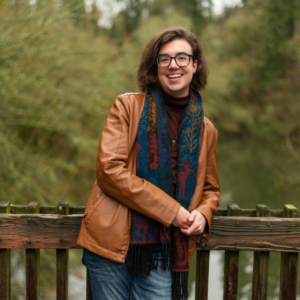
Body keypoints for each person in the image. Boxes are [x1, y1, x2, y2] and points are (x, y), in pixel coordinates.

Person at [77, 26, 220, 300]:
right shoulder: (128, 107)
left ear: (195, 64)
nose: (172, 65)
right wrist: (172, 211)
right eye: (164, 59)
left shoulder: (206, 130)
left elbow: (211, 190)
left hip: (165, 248)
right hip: (111, 239)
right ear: (155, 67)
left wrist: (203, 214)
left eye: (181, 57)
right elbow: (109, 170)